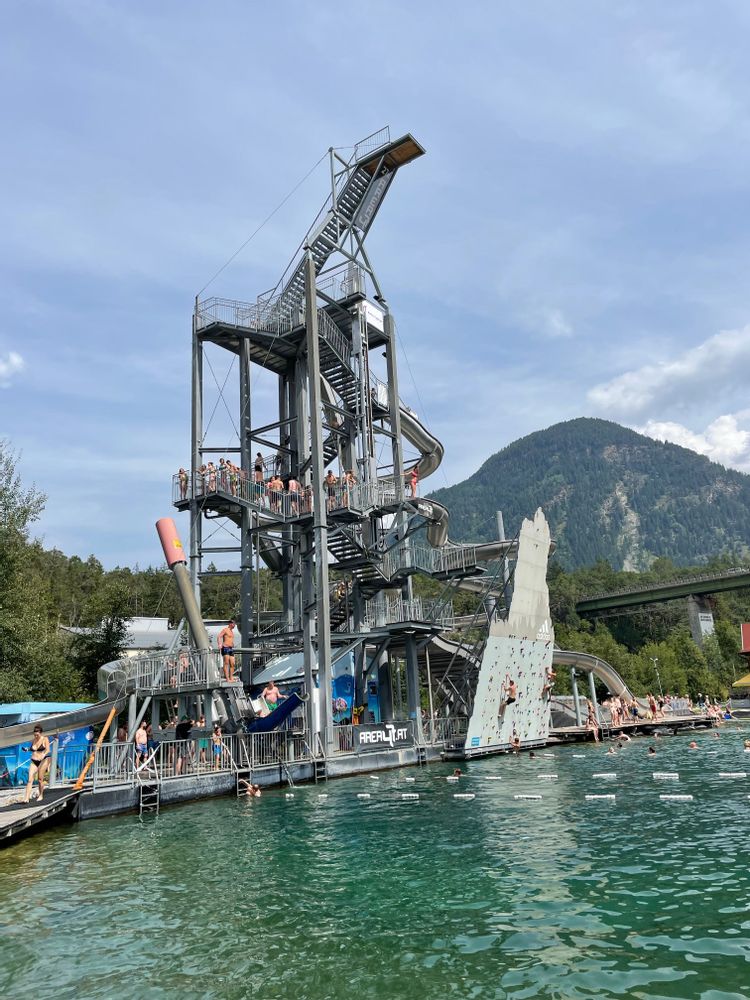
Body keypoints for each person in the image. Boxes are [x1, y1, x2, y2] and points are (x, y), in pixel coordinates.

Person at [22, 726, 51, 803]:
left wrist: (43, 754)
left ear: (40, 733)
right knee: (29, 779)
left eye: (37, 735)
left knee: (40, 779)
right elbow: (32, 749)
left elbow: (48, 750)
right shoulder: (34, 740)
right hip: (34, 761)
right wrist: (27, 749)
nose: (35, 736)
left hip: (43, 760)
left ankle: (41, 795)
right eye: (34, 735)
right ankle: (26, 798)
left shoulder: (45, 739)